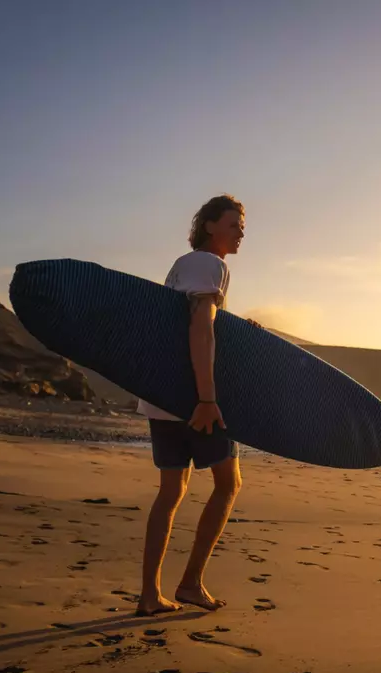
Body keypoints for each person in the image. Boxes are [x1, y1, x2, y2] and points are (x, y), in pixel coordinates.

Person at [136, 194, 246, 616]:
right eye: (233, 224)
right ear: (209, 226)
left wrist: (237, 329)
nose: (241, 232)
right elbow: (201, 327)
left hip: (162, 398)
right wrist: (206, 399)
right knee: (227, 483)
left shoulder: (184, 266)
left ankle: (150, 596)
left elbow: (197, 324)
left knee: (171, 492)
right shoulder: (209, 264)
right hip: (194, 399)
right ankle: (190, 584)